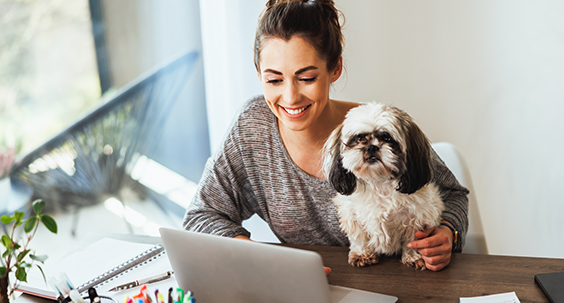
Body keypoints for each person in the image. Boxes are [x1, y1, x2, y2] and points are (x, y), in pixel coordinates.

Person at [183, 0, 469, 272]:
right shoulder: (252, 128)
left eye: (307, 78)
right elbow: (201, 216)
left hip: (402, 284)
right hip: (302, 290)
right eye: (273, 79)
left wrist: (448, 232)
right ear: (259, 73)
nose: (290, 97)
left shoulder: (374, 128)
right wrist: (262, 262)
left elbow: (454, 195)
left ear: (335, 69)